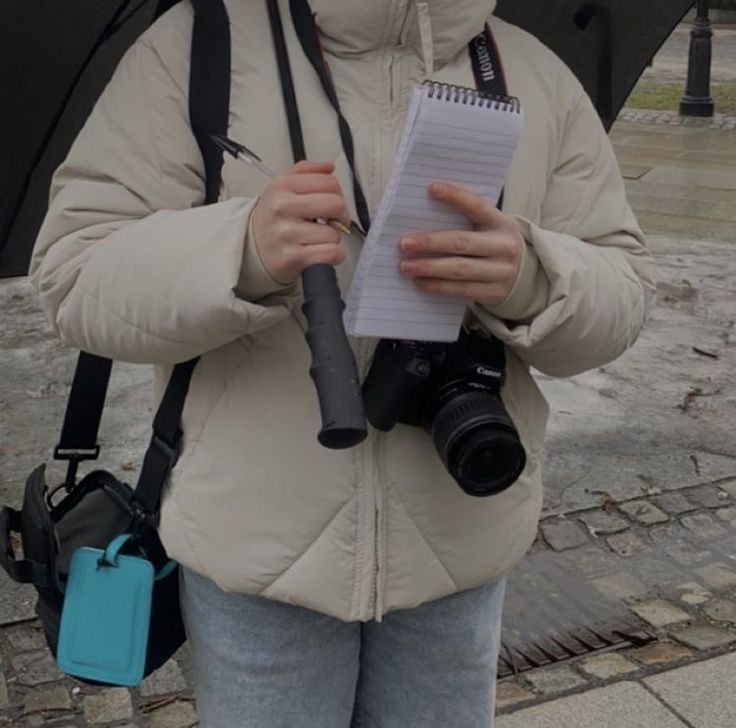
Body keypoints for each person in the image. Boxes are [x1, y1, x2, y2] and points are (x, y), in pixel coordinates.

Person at [29, 0, 654, 726]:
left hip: (460, 539)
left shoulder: (531, 74)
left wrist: (533, 276)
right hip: (257, 561)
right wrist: (240, 251)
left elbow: (624, 293)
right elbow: (74, 277)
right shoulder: (197, 47)